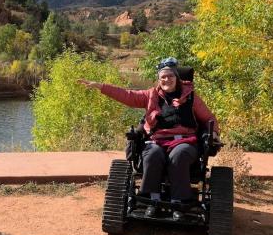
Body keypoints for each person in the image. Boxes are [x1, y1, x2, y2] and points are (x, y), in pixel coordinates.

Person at [78, 57, 219, 220]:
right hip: (157, 140)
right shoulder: (150, 95)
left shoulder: (190, 96)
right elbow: (127, 95)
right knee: (152, 155)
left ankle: (178, 203)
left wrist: (214, 133)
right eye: (163, 77)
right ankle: (152, 201)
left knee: (178, 156)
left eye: (170, 76)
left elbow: (209, 118)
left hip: (184, 141)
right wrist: (101, 86)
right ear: (159, 79)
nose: (167, 80)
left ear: (177, 77)